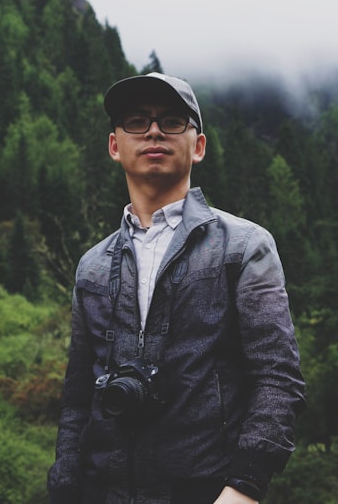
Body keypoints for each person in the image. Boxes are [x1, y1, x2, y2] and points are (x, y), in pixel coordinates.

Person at [47, 72, 306, 504]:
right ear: (115, 145)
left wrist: (244, 487)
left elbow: (278, 378)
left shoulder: (243, 246)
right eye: (135, 121)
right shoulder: (92, 266)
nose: (152, 131)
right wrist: (63, 488)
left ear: (198, 146)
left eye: (171, 121)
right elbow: (77, 400)